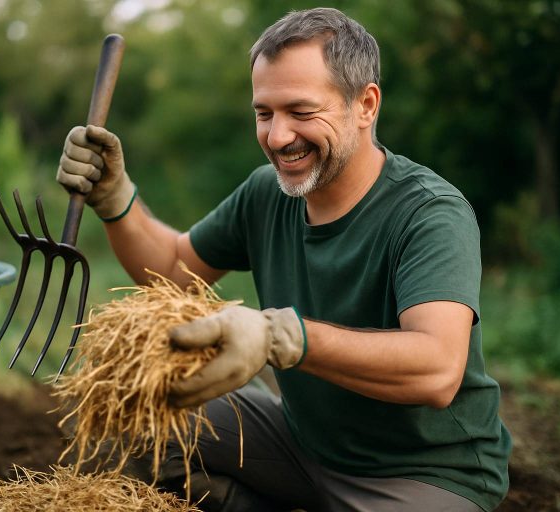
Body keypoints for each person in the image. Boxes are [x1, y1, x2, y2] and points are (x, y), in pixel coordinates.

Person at [56, 7, 511, 512]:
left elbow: (436, 371)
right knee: (135, 413)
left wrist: (282, 335)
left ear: (365, 104)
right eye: (264, 113)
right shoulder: (266, 195)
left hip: (425, 475)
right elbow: (173, 269)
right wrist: (116, 197)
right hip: (299, 445)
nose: (277, 137)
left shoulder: (429, 214)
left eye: (301, 111)